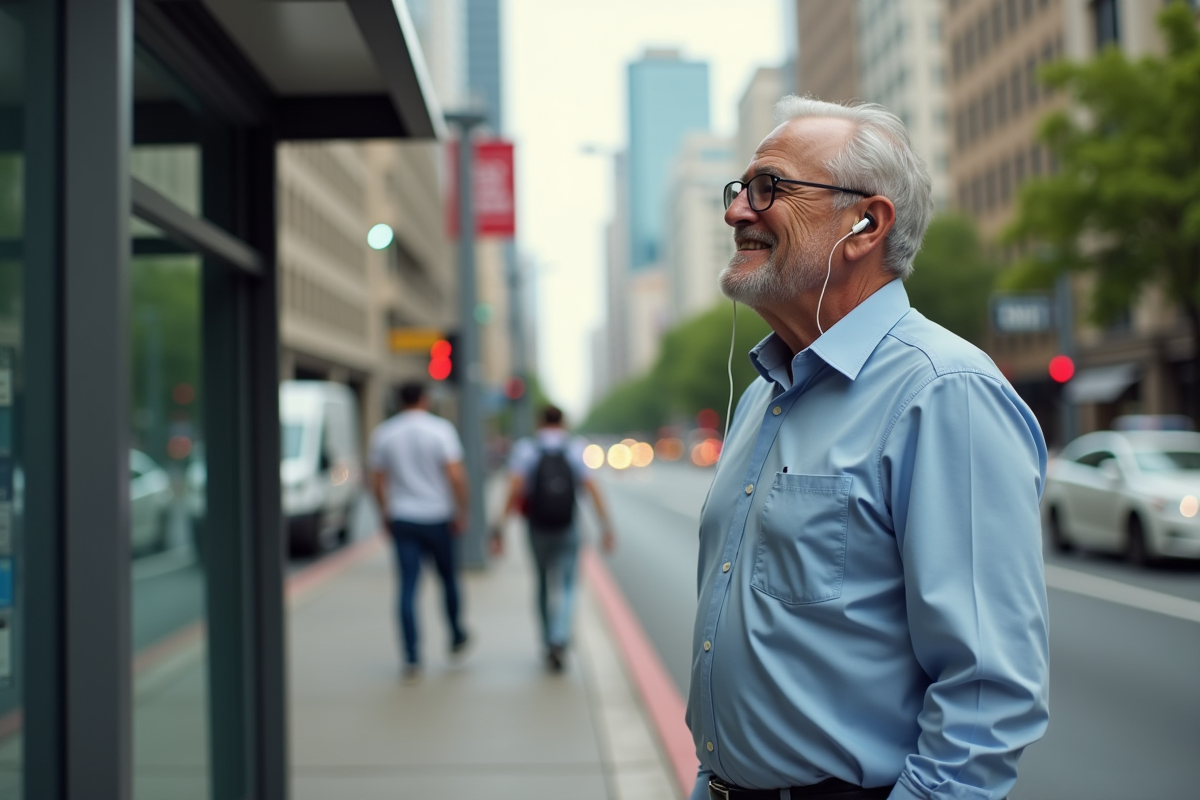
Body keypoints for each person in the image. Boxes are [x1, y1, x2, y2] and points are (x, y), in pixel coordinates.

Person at [687, 97, 1049, 800]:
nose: (736, 213)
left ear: (866, 224)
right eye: (740, 191)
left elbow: (987, 703)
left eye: (770, 189)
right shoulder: (762, 392)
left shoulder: (945, 393)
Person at [491, 405, 616, 672]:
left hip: (537, 529)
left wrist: (499, 526)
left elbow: (513, 488)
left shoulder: (527, 450)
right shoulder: (574, 449)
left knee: (542, 583)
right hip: (567, 527)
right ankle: (560, 636)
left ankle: (547, 639)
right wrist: (606, 527)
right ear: (563, 423)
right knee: (569, 585)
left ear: (539, 422)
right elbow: (592, 490)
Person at [368, 381, 470, 680]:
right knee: (449, 579)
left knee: (407, 587)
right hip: (438, 516)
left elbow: (377, 481)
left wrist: (385, 511)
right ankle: (455, 633)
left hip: (403, 518)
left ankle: (411, 655)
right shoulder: (441, 430)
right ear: (425, 399)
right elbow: (455, 475)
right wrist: (462, 510)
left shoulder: (384, 433)